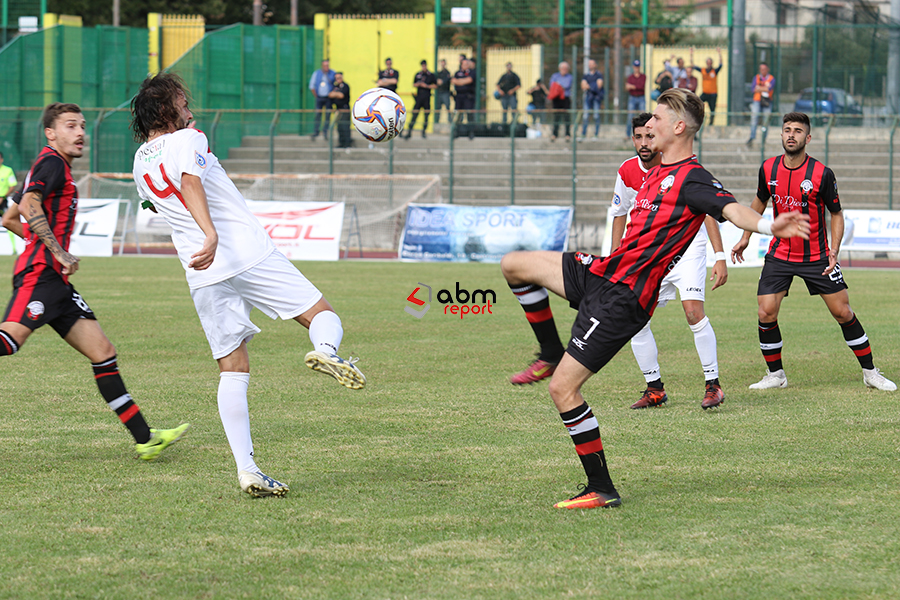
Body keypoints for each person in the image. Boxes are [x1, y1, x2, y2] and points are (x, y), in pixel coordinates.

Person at [500, 88, 809, 509]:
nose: (650, 127)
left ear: (679, 127)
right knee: (514, 264)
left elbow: (733, 209)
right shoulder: (651, 169)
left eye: (658, 121)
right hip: (603, 273)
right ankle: (550, 351)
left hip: (624, 298)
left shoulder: (693, 177)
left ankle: (601, 489)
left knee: (563, 391)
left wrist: (770, 226)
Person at [130, 73, 367, 498]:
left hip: (200, 272)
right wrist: (212, 233)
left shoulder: (138, 161)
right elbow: (190, 182)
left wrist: (201, 240)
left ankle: (248, 469)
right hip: (242, 251)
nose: (190, 109)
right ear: (167, 108)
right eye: (183, 102)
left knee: (233, 369)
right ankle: (327, 351)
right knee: (322, 314)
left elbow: (166, 202)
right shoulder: (191, 138)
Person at [0, 102, 189, 461]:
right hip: (41, 277)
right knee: (8, 343)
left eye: (83, 125)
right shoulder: (52, 162)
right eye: (70, 126)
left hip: (56, 283)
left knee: (103, 354)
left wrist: (34, 241)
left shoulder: (52, 166)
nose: (81, 132)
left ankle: (145, 438)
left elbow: (11, 215)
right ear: (51, 133)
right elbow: (28, 203)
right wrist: (55, 251)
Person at [731, 111, 896, 392]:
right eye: (787, 129)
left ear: (807, 138)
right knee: (765, 311)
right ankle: (776, 375)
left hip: (817, 256)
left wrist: (834, 250)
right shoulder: (768, 168)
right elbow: (758, 202)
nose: (791, 134)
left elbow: (837, 213)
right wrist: (745, 236)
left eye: (797, 130)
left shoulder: (821, 174)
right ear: (781, 134)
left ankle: (870, 372)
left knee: (842, 312)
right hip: (780, 254)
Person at [609, 112, 728, 410]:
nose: (645, 142)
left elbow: (709, 211)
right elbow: (619, 215)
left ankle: (713, 385)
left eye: (650, 135)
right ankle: (655, 389)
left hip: (687, 247)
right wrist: (616, 259)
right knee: (635, 318)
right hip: (650, 254)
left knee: (692, 312)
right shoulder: (626, 171)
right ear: (632, 139)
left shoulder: (679, 167)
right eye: (639, 136)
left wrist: (720, 255)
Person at [691, 47, 723, 126]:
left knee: (712, 109)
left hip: (713, 93)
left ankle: (711, 123)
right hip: (705, 92)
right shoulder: (703, 70)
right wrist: (691, 54)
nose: (709, 63)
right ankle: (698, 118)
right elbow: (693, 65)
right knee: (698, 104)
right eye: (708, 62)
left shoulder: (714, 71)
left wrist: (719, 53)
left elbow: (721, 64)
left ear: (712, 63)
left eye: (710, 62)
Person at [405, 60, 437, 139]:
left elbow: (435, 86)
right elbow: (414, 84)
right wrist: (419, 84)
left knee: (426, 115)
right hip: (419, 98)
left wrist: (426, 86)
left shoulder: (431, 75)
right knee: (414, 114)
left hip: (427, 97)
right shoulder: (418, 74)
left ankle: (424, 131)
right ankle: (409, 131)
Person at [747, 62, 775, 146]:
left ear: (767, 69)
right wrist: (764, 88)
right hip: (757, 100)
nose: (763, 71)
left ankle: (764, 139)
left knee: (766, 120)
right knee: (754, 117)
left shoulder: (771, 78)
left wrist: (759, 88)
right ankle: (752, 137)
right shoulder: (756, 77)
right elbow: (753, 89)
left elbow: (769, 89)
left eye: (764, 69)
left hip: (767, 101)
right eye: (761, 69)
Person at [308, 59, 335, 141]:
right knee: (317, 115)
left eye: (327, 65)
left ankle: (325, 132)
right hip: (319, 98)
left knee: (327, 116)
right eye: (325, 65)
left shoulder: (332, 73)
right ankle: (316, 131)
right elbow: (311, 86)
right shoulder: (317, 73)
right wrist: (316, 95)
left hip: (328, 98)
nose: (326, 67)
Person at [451, 58, 476, 139]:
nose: (465, 66)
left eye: (466, 64)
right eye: (464, 64)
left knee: (469, 114)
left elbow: (469, 80)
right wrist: (462, 82)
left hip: (468, 97)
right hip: (459, 97)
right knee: (458, 114)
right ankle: (457, 131)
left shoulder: (471, 72)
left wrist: (459, 82)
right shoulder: (457, 73)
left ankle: (471, 132)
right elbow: (453, 81)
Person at [549, 61, 573, 142]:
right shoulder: (555, 76)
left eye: (566, 68)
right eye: (563, 68)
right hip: (556, 98)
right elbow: (552, 85)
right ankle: (554, 134)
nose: (564, 70)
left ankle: (567, 134)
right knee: (556, 117)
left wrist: (558, 86)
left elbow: (566, 85)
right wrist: (559, 86)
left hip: (565, 98)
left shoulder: (569, 77)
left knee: (566, 117)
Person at [580, 59, 604, 139]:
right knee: (585, 115)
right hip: (588, 97)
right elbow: (583, 86)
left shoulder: (599, 75)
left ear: (595, 65)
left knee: (596, 116)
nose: (590, 65)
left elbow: (599, 86)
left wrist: (589, 86)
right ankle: (583, 134)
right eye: (589, 64)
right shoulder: (586, 75)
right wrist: (593, 85)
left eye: (592, 64)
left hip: (596, 97)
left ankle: (596, 134)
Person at [328, 71, 353, 148]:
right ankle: (341, 143)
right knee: (339, 127)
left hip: (344, 109)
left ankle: (347, 143)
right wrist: (336, 94)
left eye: (339, 78)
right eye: (336, 78)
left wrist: (335, 94)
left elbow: (342, 95)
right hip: (338, 110)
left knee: (345, 126)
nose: (337, 79)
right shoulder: (335, 87)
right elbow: (330, 95)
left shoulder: (345, 86)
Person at [0, 151, 18, 250]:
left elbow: (12, 185)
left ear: (2, 159)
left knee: (7, 221)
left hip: (3, 201)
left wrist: (2, 197)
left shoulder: (8, 170)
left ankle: (14, 248)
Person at [625, 60, 646, 137]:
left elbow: (641, 87)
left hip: (641, 97)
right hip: (632, 97)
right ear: (633, 67)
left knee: (642, 116)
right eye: (635, 67)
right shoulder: (630, 77)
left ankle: (643, 134)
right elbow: (627, 87)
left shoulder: (643, 76)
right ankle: (628, 134)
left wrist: (632, 86)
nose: (636, 68)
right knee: (630, 116)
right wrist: (634, 87)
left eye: (638, 67)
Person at [434, 59, 452, 125]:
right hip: (439, 92)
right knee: (438, 108)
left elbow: (444, 81)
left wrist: (441, 82)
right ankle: (437, 121)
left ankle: (450, 121)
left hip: (445, 92)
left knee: (448, 107)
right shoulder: (439, 73)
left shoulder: (447, 73)